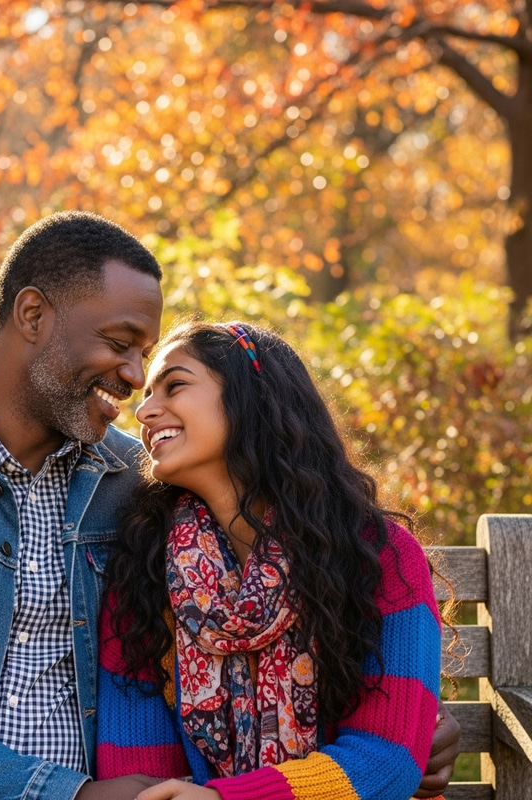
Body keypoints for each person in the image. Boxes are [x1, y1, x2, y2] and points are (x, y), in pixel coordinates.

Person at [0, 212, 458, 800]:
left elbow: (301, 585)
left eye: (152, 361)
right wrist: (66, 794)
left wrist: (405, 728)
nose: (135, 382)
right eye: (120, 344)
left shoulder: (142, 491)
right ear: (33, 315)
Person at [96, 318, 453, 800]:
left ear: (252, 397)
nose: (145, 410)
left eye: (174, 386)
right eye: (146, 396)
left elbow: (388, 760)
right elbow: (136, 760)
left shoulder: (377, 555)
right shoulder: (142, 570)